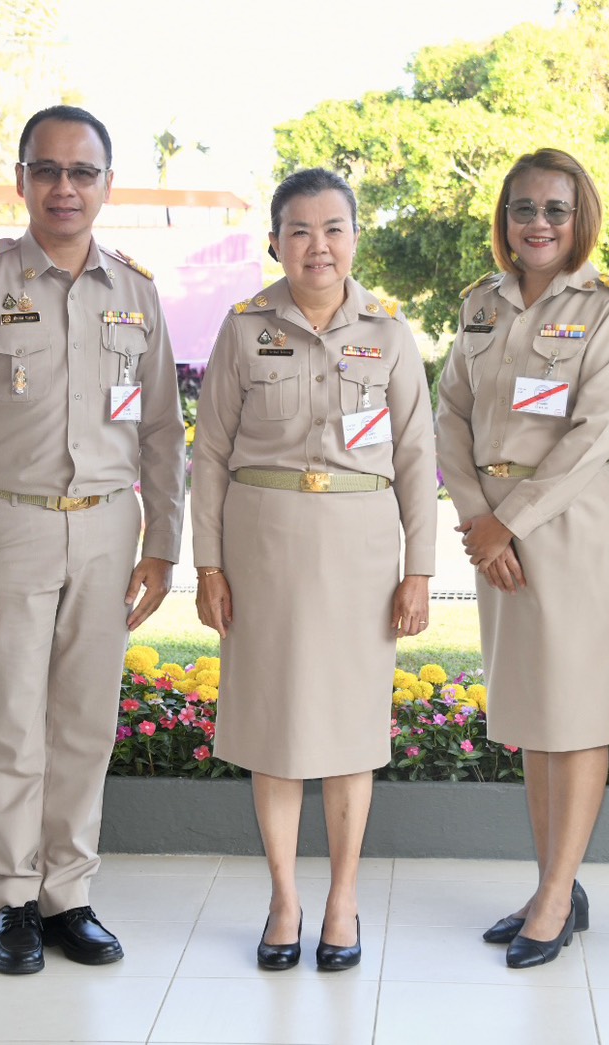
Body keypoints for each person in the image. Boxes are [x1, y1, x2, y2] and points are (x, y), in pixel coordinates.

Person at [0, 105, 186, 975]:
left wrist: (163, 545)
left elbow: (161, 429)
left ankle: (67, 894)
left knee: (84, 723)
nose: (64, 188)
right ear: (22, 179)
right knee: (11, 724)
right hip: (11, 527)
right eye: (47, 170)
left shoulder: (136, 291)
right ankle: (12, 898)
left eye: (81, 172)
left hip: (109, 527)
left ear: (107, 184)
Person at [191, 168, 438, 972]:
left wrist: (419, 569)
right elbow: (210, 454)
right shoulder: (243, 328)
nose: (318, 246)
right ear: (275, 242)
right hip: (262, 547)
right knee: (272, 728)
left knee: (349, 731)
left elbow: (416, 455)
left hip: (359, 552)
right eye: (299, 230)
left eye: (333, 229)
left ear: (355, 238)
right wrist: (208, 564)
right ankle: (283, 899)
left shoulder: (389, 334)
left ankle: (341, 898)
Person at [436, 148, 609, 969]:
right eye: (522, 208)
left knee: (576, 713)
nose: (537, 223)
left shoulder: (608, 309)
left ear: (578, 217)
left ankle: (557, 897)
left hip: (574, 527)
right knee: (531, 714)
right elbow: (449, 413)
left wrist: (508, 522)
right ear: (505, 218)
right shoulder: (479, 304)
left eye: (555, 209)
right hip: (494, 530)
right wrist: (476, 516)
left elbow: (597, 432)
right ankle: (550, 884)